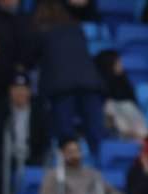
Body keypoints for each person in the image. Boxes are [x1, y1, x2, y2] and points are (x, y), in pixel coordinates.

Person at [34, 0, 107, 155]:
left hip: (61, 85)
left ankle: (65, 169)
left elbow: (30, 59)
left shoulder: (41, 31)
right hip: (89, 81)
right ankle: (102, 166)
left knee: (65, 133)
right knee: (96, 133)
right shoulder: (75, 27)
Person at [39, 136, 123, 194]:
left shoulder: (92, 173)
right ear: (62, 154)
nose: (75, 155)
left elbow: (113, 193)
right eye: (70, 152)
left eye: (77, 151)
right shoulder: (54, 177)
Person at [94, 49, 148, 141]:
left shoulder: (124, 83)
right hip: (110, 127)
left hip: (128, 124)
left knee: (128, 106)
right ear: (109, 64)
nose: (121, 66)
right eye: (118, 62)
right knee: (110, 106)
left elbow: (134, 104)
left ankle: (139, 137)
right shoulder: (99, 85)